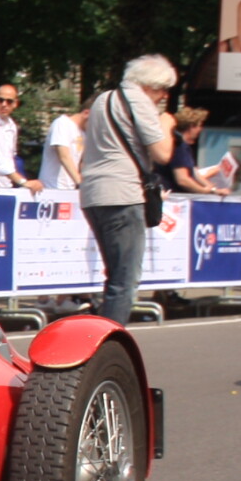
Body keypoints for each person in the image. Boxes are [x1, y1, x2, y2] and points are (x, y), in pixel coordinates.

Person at [79, 54, 178, 325]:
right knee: (125, 279)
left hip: (93, 193)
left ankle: (104, 333)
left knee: (114, 275)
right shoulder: (140, 102)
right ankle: (111, 339)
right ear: (149, 85)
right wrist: (167, 125)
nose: (163, 97)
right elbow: (163, 154)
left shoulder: (103, 99)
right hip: (123, 193)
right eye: (162, 90)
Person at [166, 109, 234, 195]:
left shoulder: (185, 147)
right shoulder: (179, 146)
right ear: (191, 127)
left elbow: (194, 173)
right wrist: (206, 191)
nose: (200, 129)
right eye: (199, 126)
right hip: (174, 197)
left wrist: (213, 188)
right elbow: (183, 180)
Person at [39, 104, 86, 191]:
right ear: (86, 113)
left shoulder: (83, 133)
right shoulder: (62, 123)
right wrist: (80, 183)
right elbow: (64, 156)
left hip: (69, 188)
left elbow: (82, 162)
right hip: (52, 187)